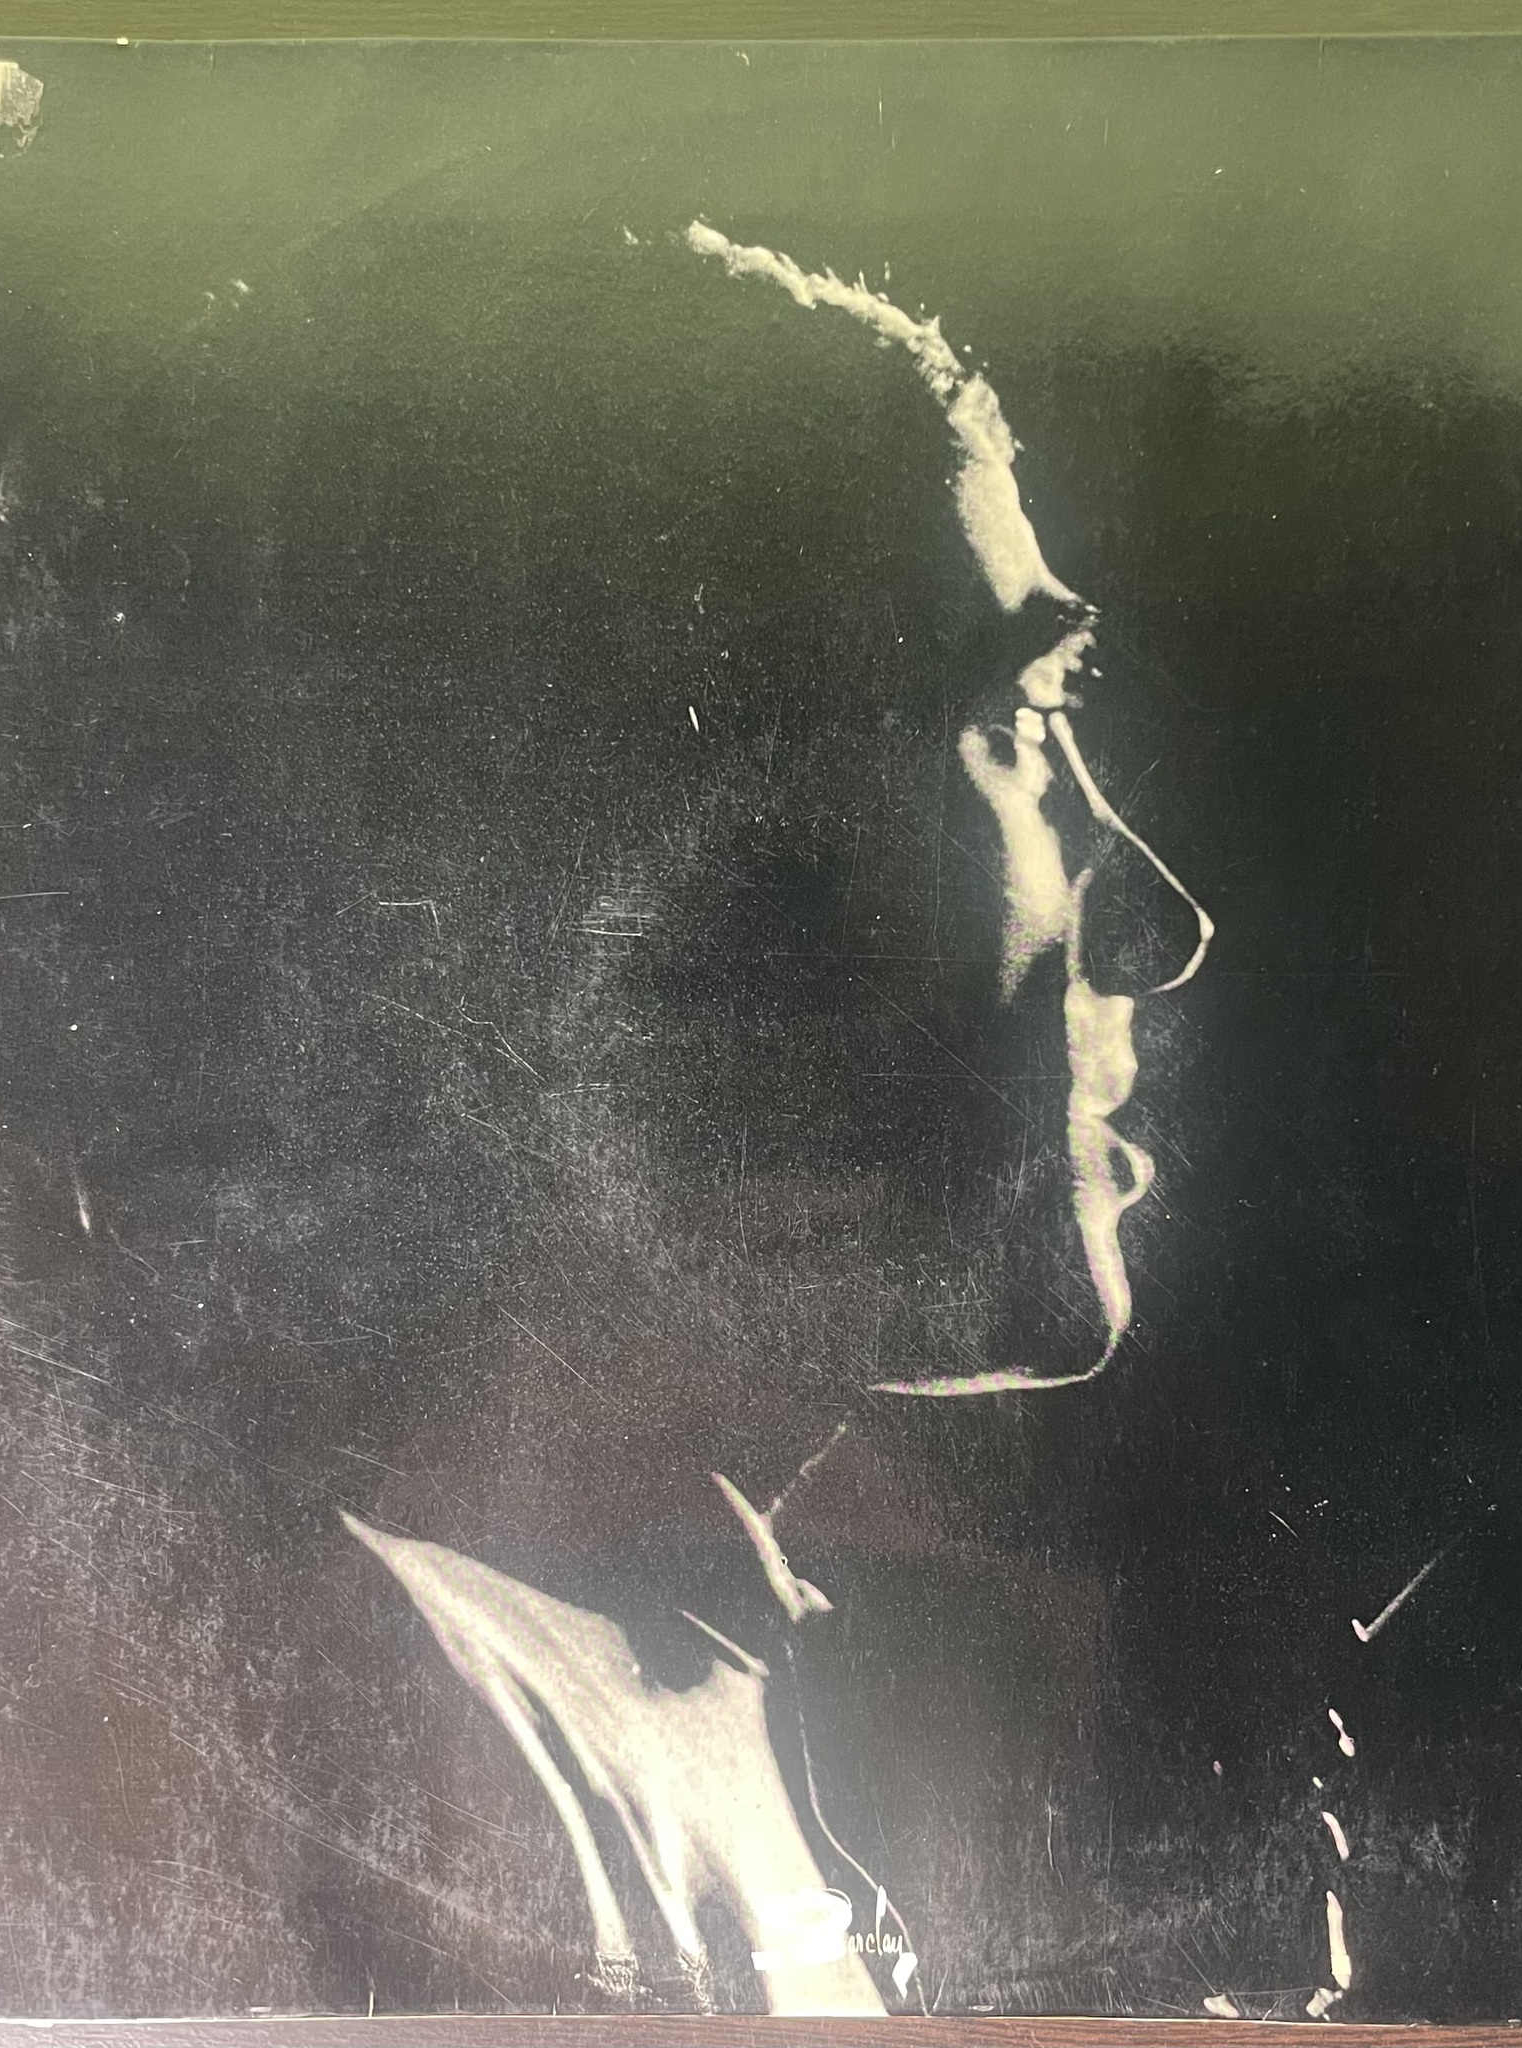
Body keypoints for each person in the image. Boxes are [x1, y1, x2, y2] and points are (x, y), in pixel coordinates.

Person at [346, 219, 1227, 2018]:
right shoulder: (417, 1755)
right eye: (1019, 722)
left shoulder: (720, 1676)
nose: (1161, 920)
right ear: (622, 873)